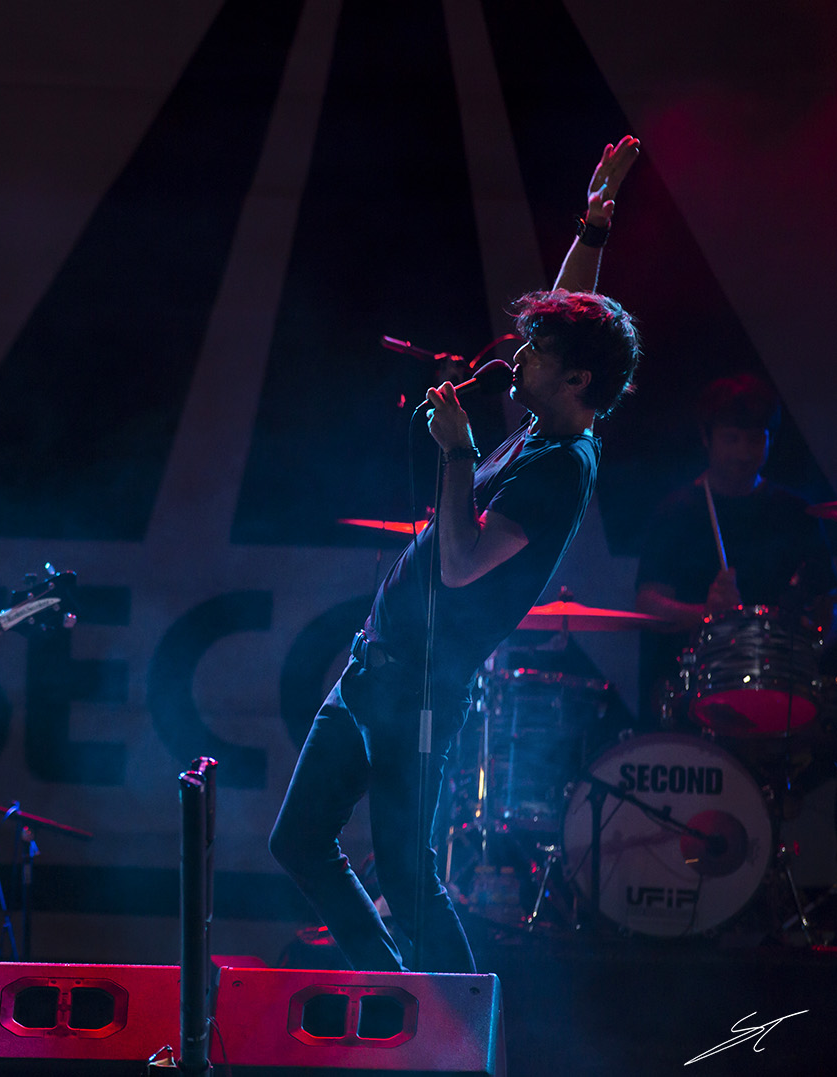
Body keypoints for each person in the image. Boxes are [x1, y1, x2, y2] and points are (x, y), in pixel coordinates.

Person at [270, 138, 644, 972]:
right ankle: (400, 995)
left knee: (409, 877)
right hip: (374, 668)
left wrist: (455, 452)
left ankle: (458, 1032)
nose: (519, 356)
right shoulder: (551, 419)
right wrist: (593, 222)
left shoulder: (559, 463)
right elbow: (570, 315)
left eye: (537, 354)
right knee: (299, 841)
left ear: (577, 381)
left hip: (424, 691)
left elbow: (463, 562)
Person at [635, 373, 836, 717]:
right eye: (732, 438)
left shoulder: (796, 514)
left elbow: (826, 601)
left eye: (756, 440)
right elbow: (647, 602)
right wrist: (708, 615)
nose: (744, 453)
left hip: (781, 684)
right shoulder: (678, 511)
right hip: (698, 685)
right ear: (706, 438)